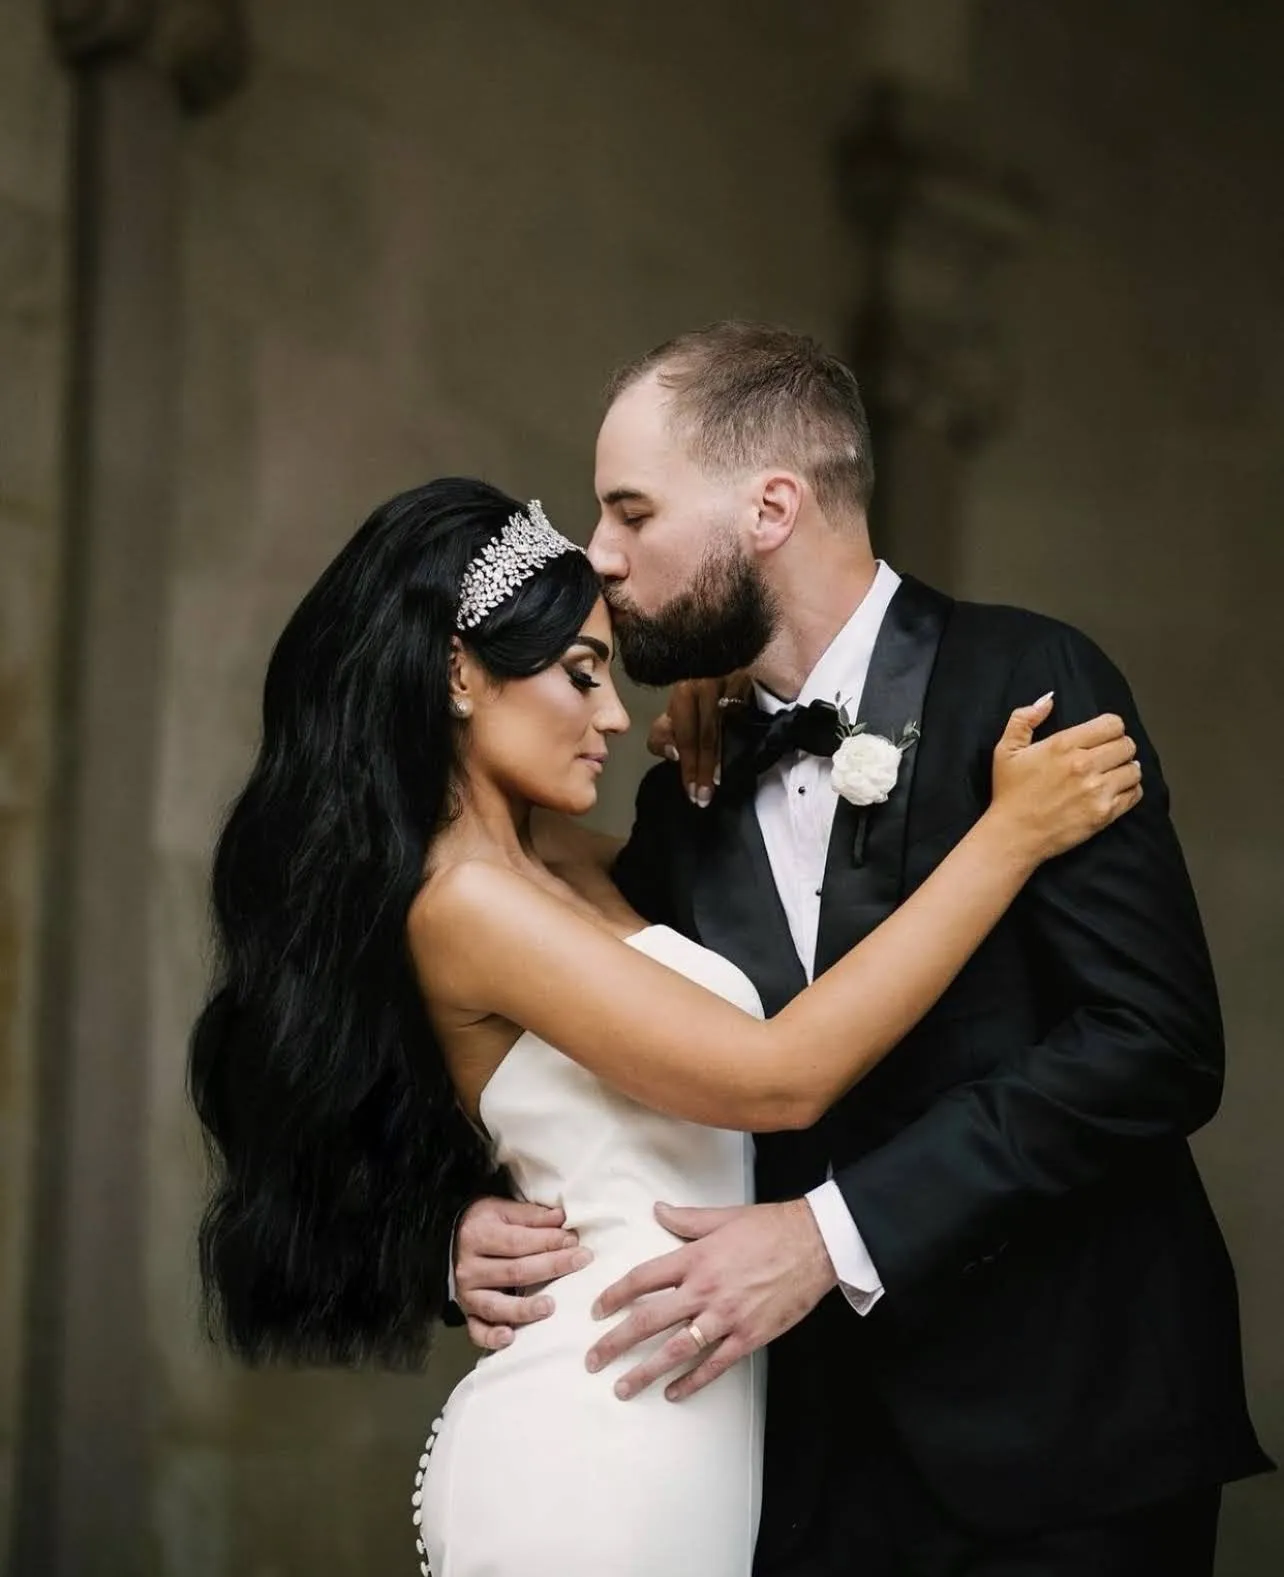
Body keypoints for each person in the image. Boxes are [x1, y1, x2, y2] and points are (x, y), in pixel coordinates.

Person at [189, 476, 1139, 1577]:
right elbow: (779, 1077)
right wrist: (1008, 837)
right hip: (594, 1437)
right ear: (459, 671)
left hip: (678, 1430)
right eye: (581, 674)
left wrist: (730, 705)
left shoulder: (556, 867)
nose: (612, 714)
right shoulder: (464, 902)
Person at [452, 324, 1272, 1577]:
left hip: (1068, 1441)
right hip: (800, 1470)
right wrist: (453, 1227)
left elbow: (1157, 1046)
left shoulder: (1032, 682)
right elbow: (578, 1052)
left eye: (631, 509)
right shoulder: (687, 785)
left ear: (770, 506)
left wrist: (832, 1235)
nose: (598, 553)